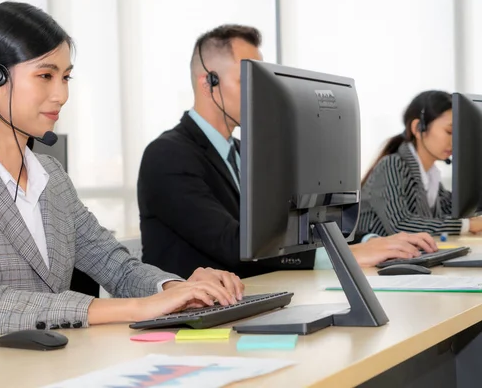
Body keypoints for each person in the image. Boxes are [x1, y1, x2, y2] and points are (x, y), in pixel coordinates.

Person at [0, 2, 244, 357]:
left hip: (34, 365)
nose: (61, 95)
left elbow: (118, 268)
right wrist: (139, 309)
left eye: (65, 77)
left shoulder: (53, 179)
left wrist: (175, 289)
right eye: (45, 76)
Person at [137, 24, 437, 279]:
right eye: (249, 81)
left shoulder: (246, 153)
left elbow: (296, 225)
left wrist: (373, 242)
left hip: (257, 296)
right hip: (193, 321)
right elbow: (235, 245)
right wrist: (342, 257)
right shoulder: (167, 157)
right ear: (208, 83)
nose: (261, 94)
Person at [359, 90, 482, 236]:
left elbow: (452, 209)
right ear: (418, 128)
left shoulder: (430, 174)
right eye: (449, 132)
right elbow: (401, 225)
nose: (455, 141)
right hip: (382, 258)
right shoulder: (392, 165)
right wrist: (467, 225)